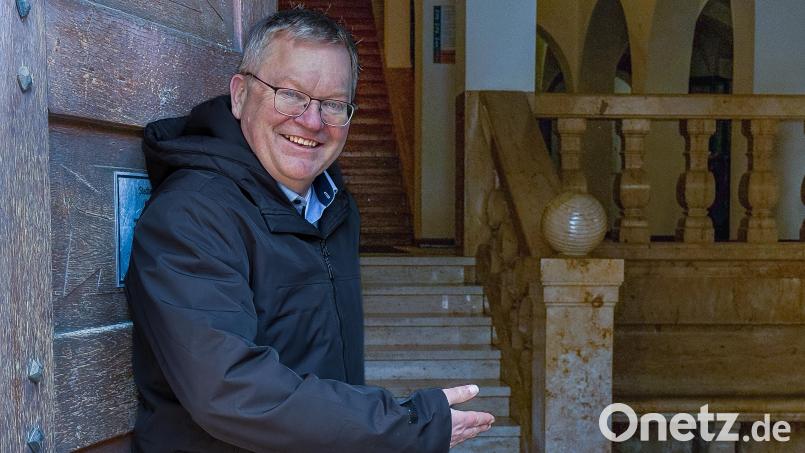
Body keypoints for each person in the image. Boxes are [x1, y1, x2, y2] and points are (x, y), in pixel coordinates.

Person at [125, 8, 494, 452]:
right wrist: (404, 425)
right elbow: (229, 390)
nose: (312, 121)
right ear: (240, 95)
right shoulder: (191, 214)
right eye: (290, 94)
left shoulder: (334, 206)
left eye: (333, 104)